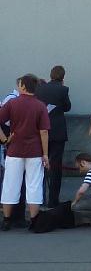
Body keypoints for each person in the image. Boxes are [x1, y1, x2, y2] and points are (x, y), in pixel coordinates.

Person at [0, 74, 50, 231]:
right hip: (34, 151)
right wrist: (45, 154)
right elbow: (44, 132)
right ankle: (34, 220)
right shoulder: (40, 106)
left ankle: (7, 219)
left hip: (14, 150)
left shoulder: (12, 103)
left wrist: (4, 139)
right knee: (34, 185)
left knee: (10, 184)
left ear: (22, 86)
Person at [35, 65, 71, 207]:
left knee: (40, 165)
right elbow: (67, 107)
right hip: (57, 131)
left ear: (50, 75)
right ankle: (53, 200)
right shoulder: (63, 89)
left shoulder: (39, 89)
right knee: (55, 167)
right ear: (63, 76)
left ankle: (40, 198)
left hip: (41, 130)